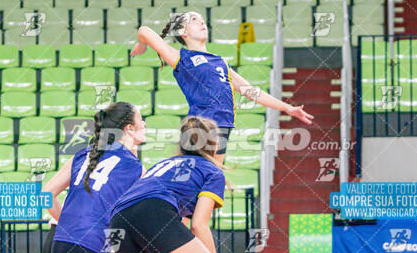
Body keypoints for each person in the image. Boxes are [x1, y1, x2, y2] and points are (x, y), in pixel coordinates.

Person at [130, 12, 314, 164]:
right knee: (200, 185)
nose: (202, 22)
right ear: (182, 32)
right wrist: (142, 44)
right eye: (194, 20)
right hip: (201, 128)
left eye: (202, 19)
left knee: (211, 187)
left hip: (224, 128)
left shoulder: (220, 62)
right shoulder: (180, 57)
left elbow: (250, 91)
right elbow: (144, 30)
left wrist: (287, 108)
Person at [110, 116, 237, 253]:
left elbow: (170, 229)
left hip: (118, 220)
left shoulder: (164, 164)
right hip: (153, 212)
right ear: (214, 144)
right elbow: (198, 225)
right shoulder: (211, 171)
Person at [42, 102, 147, 253]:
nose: (144, 123)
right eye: (141, 119)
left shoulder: (85, 154)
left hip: (56, 248)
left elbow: (44, 195)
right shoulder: (135, 167)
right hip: (86, 250)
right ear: (129, 129)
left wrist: (68, 224)